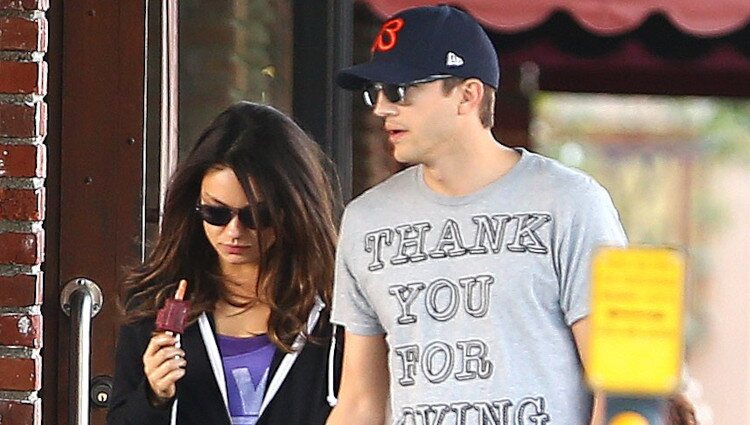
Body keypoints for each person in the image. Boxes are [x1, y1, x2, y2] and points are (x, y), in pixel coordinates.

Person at [327, 5, 628, 425]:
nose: (380, 108)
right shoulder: (364, 221)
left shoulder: (570, 203)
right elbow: (359, 401)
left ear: (468, 95)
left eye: (398, 91)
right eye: (373, 92)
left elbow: (619, 382)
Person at [107, 101, 342, 425]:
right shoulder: (157, 305)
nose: (233, 232)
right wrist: (154, 396)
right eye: (215, 213)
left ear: (292, 210)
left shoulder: (333, 311)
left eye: (256, 216)